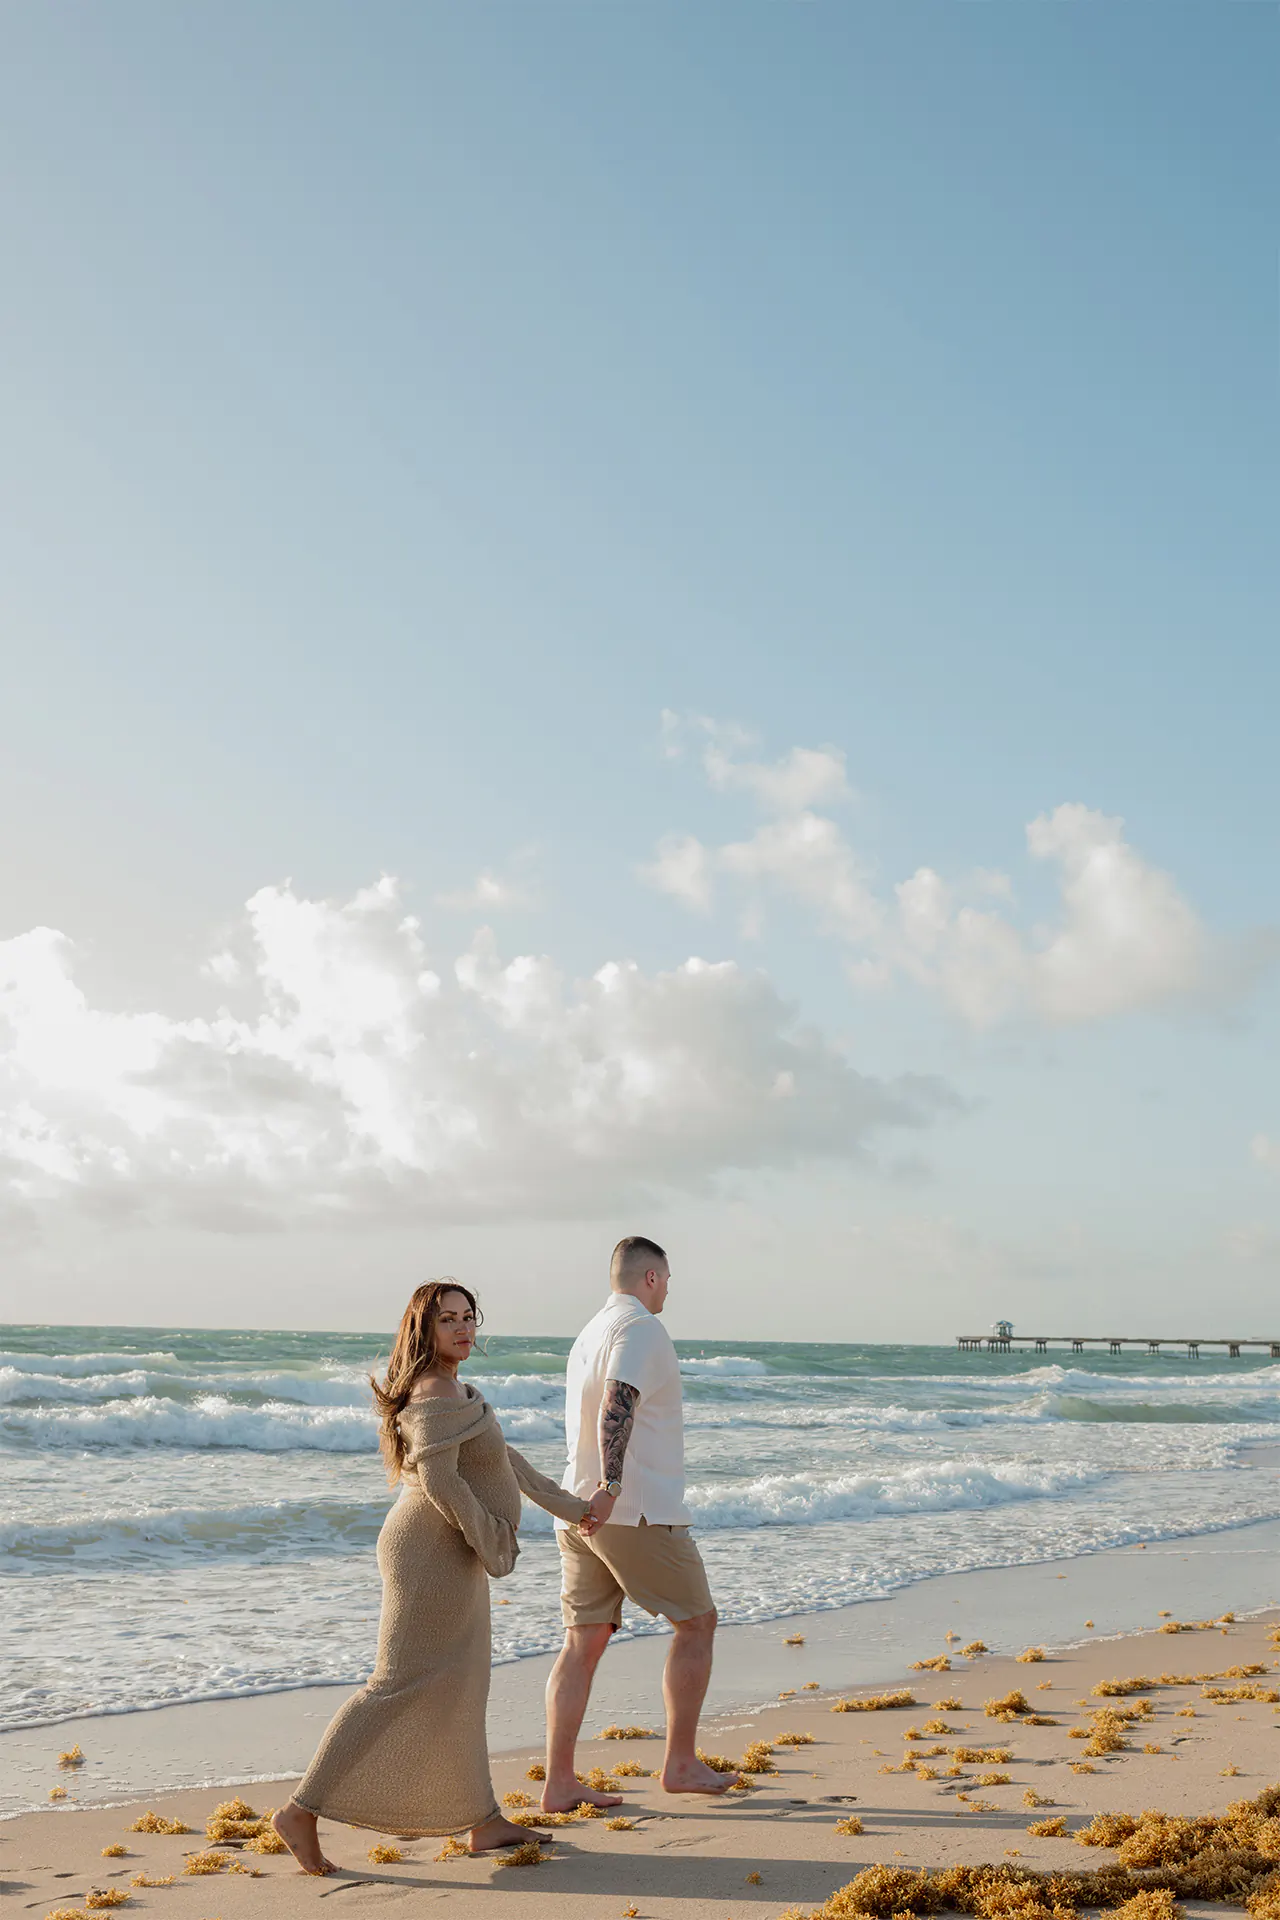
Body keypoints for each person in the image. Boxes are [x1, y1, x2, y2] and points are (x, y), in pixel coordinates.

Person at [272, 1280, 594, 1873]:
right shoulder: (434, 1387)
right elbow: (443, 1483)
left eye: (469, 1317)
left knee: (464, 1683)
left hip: (453, 1550)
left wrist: (572, 1507)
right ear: (424, 1329)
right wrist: (492, 1538)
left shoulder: (456, 1388)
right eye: (449, 1319)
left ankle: (482, 1819)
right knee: (396, 1683)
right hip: (429, 1552)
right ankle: (301, 1809)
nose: (464, 1328)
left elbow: (502, 1461)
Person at [541, 1235, 737, 1811]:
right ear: (650, 1277)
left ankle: (559, 1782)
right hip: (632, 1511)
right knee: (697, 1622)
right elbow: (617, 1402)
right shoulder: (642, 1330)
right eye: (668, 1278)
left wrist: (594, 1495)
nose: (670, 1289)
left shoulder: (587, 1333)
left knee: (582, 1642)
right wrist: (613, 1486)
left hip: (577, 1511)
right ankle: (680, 1764)